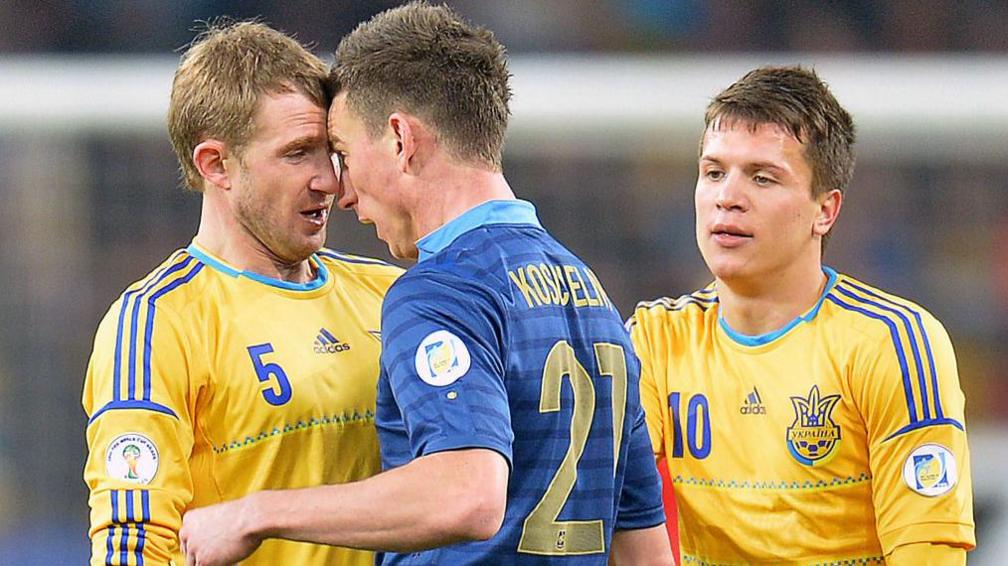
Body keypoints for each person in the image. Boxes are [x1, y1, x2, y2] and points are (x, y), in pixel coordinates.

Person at [179, 3, 674, 565]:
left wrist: (257, 512)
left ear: (399, 139)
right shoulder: (588, 294)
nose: (342, 193)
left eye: (342, 152)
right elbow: (645, 551)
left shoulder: (440, 292)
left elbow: (466, 496)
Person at [82, 21, 401, 565]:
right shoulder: (158, 322)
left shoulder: (391, 294)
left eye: (332, 151)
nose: (329, 179)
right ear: (216, 164)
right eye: (298, 153)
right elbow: (133, 547)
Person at [627, 66, 975, 563]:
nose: (728, 197)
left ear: (825, 210)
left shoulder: (893, 342)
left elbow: (928, 551)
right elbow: (612, 509)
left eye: (763, 178)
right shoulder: (656, 339)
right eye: (713, 172)